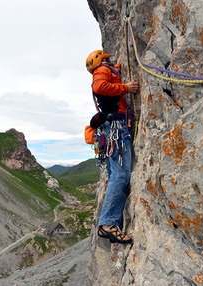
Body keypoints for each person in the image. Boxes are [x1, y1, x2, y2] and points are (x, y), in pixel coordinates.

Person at [86, 50, 139, 244]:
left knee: (120, 175)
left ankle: (112, 223)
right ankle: (107, 223)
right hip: (116, 127)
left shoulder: (105, 70)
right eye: (106, 59)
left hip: (113, 128)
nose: (108, 61)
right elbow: (100, 86)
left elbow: (109, 79)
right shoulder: (101, 71)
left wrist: (118, 67)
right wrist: (125, 87)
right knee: (120, 175)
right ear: (101, 60)